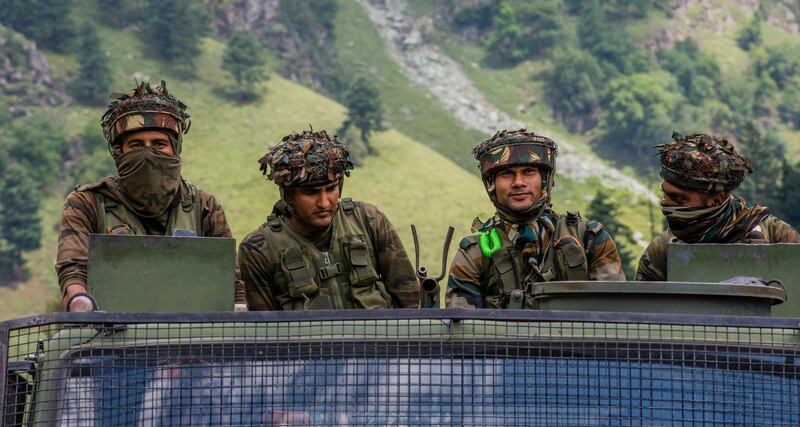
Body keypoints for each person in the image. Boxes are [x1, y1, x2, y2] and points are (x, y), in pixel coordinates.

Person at [55, 80, 246, 312]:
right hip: (110, 335)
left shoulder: (203, 206)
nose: (148, 152)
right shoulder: (87, 203)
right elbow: (73, 271)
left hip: (192, 337)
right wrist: (79, 302)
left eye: (159, 144)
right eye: (136, 145)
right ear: (119, 152)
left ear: (174, 149)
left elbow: (231, 282)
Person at [238, 129, 418, 310]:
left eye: (331, 189)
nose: (324, 203)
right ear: (289, 195)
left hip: (377, 338)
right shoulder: (259, 248)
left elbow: (410, 303)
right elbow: (262, 330)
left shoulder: (368, 220)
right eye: (311, 192)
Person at [446, 129, 625, 309]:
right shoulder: (475, 253)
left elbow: (614, 313)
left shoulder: (589, 238)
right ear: (492, 184)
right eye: (507, 174)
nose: (518, 182)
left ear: (546, 179)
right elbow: (463, 327)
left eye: (529, 171)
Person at [636, 132, 800, 281]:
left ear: (716, 200)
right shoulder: (663, 250)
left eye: (679, 198)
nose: (666, 203)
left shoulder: (775, 235)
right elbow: (644, 310)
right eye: (665, 194)